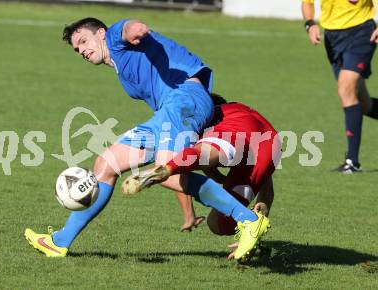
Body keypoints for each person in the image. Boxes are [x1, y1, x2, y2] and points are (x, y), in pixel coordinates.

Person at [24, 18, 268, 261]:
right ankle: (60, 242)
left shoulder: (115, 39)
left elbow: (126, 27)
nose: (82, 51)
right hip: (168, 111)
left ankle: (249, 221)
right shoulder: (120, 64)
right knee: (106, 164)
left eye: (84, 41)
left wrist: (134, 28)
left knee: (168, 174)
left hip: (184, 99)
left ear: (100, 33)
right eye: (78, 49)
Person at [122, 95, 281, 259]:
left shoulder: (209, 117)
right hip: (271, 146)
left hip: (233, 134)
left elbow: (185, 174)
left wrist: (188, 214)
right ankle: (252, 230)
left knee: (200, 156)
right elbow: (267, 191)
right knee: (219, 223)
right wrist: (261, 215)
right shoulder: (244, 112)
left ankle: (168, 167)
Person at [301, 0, 378, 173]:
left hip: (362, 32)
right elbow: (307, 3)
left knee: (345, 89)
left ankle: (352, 162)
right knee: (363, 103)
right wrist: (310, 24)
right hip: (333, 39)